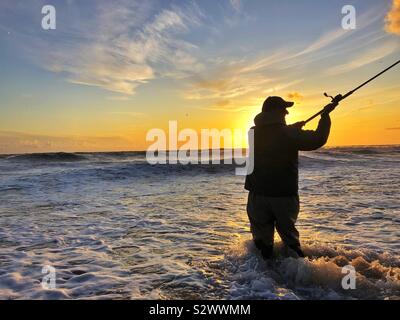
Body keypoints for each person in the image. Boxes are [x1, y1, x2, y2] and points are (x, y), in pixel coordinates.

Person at [244, 96, 338, 259]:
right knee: (291, 243)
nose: (286, 112)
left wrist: (294, 128)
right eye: (283, 109)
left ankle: (260, 280)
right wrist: (325, 116)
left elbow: (275, 136)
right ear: (275, 112)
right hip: (283, 196)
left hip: (257, 195)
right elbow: (317, 139)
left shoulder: (253, 132)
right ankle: (299, 279)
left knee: (262, 246)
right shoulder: (289, 133)